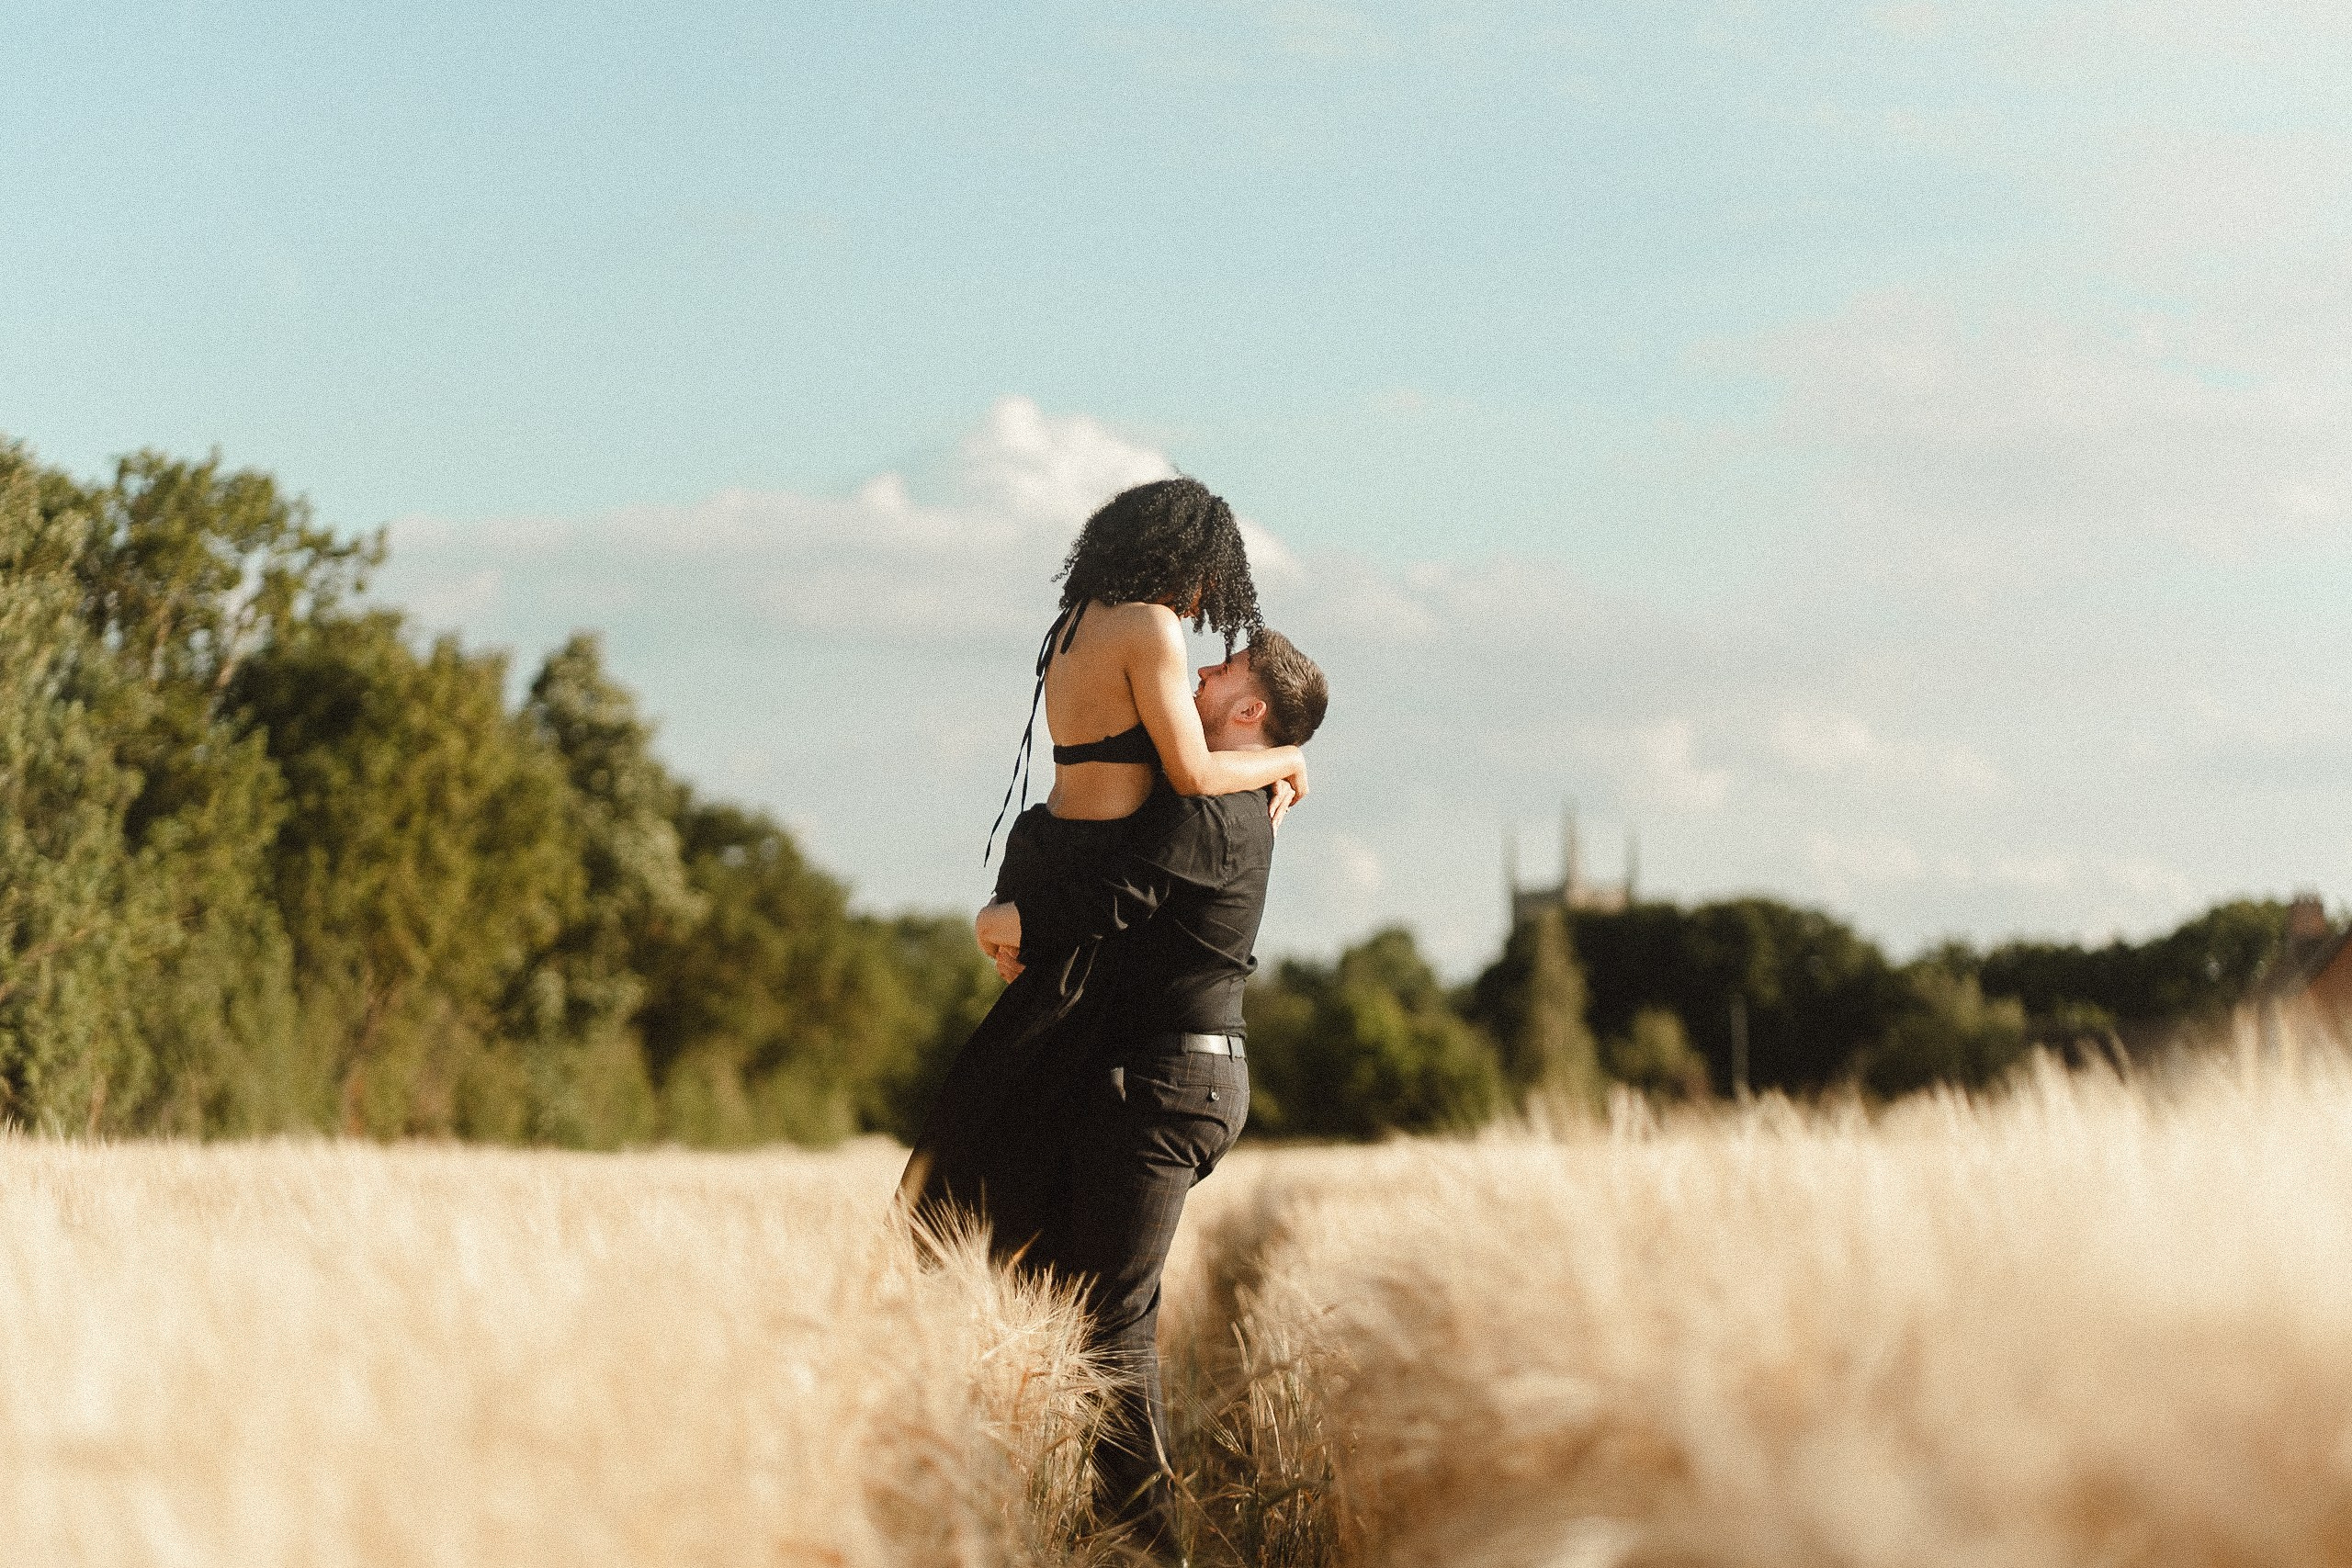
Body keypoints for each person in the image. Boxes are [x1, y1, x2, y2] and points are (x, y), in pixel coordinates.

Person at [968, 628, 1329, 1562]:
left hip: (1167, 1081)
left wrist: (1007, 920)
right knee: (1084, 1293)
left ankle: (1142, 1548)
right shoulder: (1231, 793)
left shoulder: (1213, 810)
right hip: (1172, 1076)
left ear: (1247, 710)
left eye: (1220, 673)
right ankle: (1099, 1524)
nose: (1196, 674)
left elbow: (1115, 901)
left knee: (1113, 1324)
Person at [904, 478, 1303, 1261]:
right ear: (1179, 559)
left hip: (1053, 850)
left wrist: (1021, 899)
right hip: (1099, 882)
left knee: (1003, 1127)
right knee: (1041, 1151)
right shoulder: (1149, 627)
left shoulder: (1073, 626)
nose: (1199, 605)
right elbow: (1189, 774)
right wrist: (1284, 757)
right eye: (1204, 580)